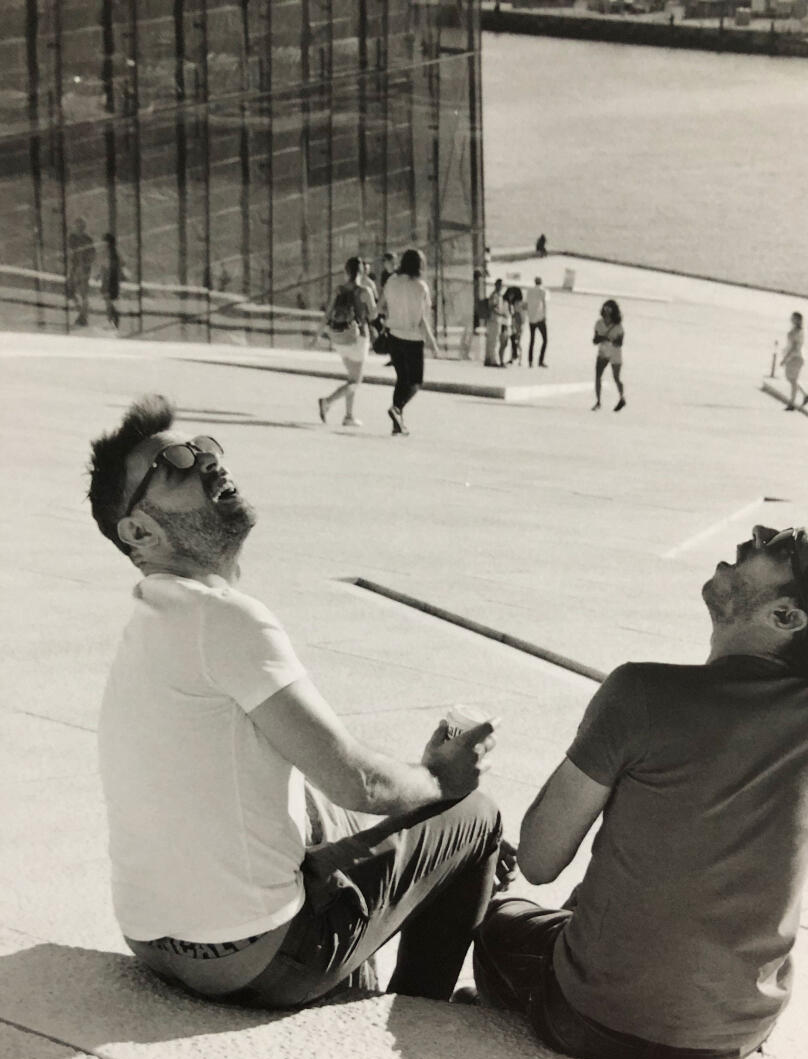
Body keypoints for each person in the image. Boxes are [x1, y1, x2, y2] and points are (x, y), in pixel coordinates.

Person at [86, 395, 504, 1008]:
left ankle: (357, 981)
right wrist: (439, 779)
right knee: (476, 815)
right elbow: (357, 780)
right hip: (257, 957)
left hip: (154, 940)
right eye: (177, 464)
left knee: (321, 816)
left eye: (205, 447)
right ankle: (423, 1010)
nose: (208, 463)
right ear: (140, 531)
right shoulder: (225, 619)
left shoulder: (154, 620)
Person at [471, 511, 808, 1059]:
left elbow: (539, 858)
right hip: (735, 1030)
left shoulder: (641, 693)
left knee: (497, 921)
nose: (757, 537)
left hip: (591, 1019)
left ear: (786, 615)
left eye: (784, 545)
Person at [379, 247, 440, 436]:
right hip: (413, 338)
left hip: (394, 336)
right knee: (415, 382)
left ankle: (398, 423)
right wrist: (433, 345)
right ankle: (397, 409)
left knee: (401, 379)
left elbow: (381, 306)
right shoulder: (421, 287)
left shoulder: (391, 281)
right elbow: (423, 320)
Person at [318, 257, 372, 428]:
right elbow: (374, 315)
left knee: (351, 378)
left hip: (339, 338)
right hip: (358, 337)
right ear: (362, 271)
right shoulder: (365, 291)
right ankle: (327, 401)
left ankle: (349, 416)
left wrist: (317, 334)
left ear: (346, 272)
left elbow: (327, 314)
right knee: (356, 381)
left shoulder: (338, 290)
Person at [592, 299, 625, 412]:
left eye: (609, 308)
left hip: (615, 353)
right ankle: (598, 401)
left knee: (616, 377)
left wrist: (611, 340)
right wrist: (604, 338)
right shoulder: (599, 323)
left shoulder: (618, 326)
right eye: (605, 308)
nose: (606, 310)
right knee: (598, 376)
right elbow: (595, 340)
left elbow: (620, 343)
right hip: (603, 352)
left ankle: (621, 398)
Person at [66, 218, 96, 326]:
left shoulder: (87, 239)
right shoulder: (72, 238)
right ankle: (82, 313)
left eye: (80, 226)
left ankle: (83, 316)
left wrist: (85, 264)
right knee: (70, 291)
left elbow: (92, 255)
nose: (78, 227)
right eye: (77, 225)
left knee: (83, 293)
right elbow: (69, 251)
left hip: (83, 269)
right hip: (76, 268)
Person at [779, 311, 808, 411]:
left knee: (792, 380)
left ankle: (791, 403)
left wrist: (785, 359)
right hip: (795, 357)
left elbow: (794, 347)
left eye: (793, 318)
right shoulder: (796, 330)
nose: (791, 319)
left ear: (797, 320)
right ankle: (805, 395)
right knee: (791, 379)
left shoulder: (797, 331)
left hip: (795, 358)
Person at [100, 233, 124, 330]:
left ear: (109, 243)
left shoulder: (112, 253)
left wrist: (106, 274)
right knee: (109, 302)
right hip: (109, 280)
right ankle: (112, 322)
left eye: (104, 241)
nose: (103, 243)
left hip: (111, 281)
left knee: (110, 302)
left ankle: (113, 322)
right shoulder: (110, 252)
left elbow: (113, 266)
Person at [526, 276, 548, 367]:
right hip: (539, 318)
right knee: (545, 340)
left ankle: (530, 361)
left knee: (532, 340)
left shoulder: (529, 291)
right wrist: (544, 316)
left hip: (531, 318)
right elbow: (544, 304)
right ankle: (540, 360)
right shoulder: (542, 291)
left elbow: (527, 303)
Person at [503, 286, 526, 365]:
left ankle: (517, 359)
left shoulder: (516, 304)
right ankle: (517, 359)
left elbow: (519, 316)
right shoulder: (520, 303)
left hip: (516, 325)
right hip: (516, 325)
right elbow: (522, 316)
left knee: (516, 342)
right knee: (516, 342)